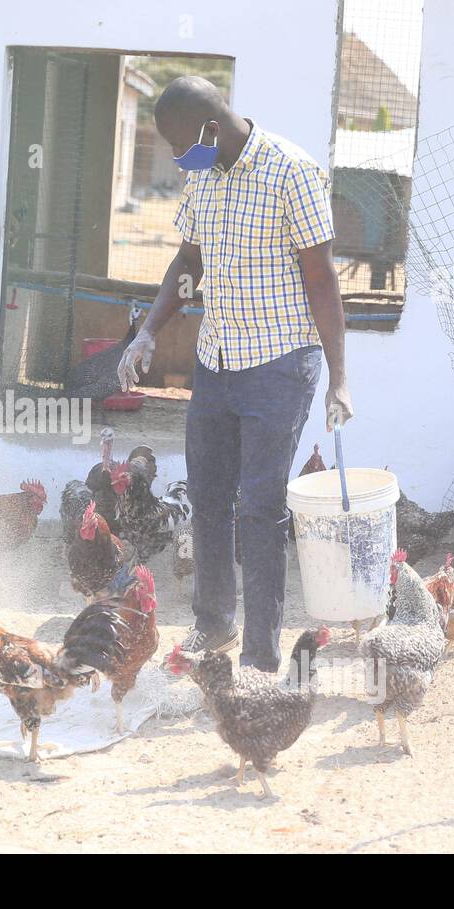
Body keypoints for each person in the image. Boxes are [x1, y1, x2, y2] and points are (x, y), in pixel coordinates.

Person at [117, 76, 352, 672]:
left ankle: (260, 656)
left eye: (182, 145)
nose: (177, 158)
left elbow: (322, 278)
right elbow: (188, 259)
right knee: (209, 497)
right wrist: (148, 329)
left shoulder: (291, 172)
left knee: (260, 507)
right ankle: (213, 626)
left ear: (213, 129)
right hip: (217, 361)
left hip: (279, 365)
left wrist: (339, 376)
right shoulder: (204, 174)